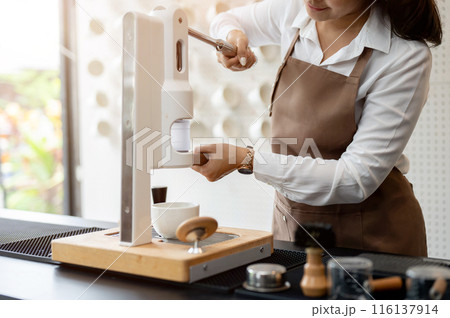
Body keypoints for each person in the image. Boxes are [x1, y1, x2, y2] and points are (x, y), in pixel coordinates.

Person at [191, 0, 442, 257]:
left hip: (373, 238)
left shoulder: (405, 56)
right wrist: (233, 37)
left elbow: (355, 179)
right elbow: (227, 21)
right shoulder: (295, 11)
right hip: (293, 226)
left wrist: (247, 159)